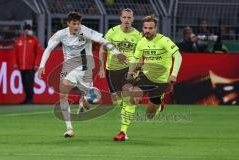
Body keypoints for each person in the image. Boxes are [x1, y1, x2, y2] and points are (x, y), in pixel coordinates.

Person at [38, 12, 126, 138]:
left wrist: (117, 53)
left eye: (78, 23)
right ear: (68, 23)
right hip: (69, 67)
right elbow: (48, 49)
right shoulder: (61, 34)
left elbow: (104, 41)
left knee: (88, 104)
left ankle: (82, 102)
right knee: (63, 92)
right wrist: (42, 65)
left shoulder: (86, 31)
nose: (76, 26)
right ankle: (69, 128)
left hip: (86, 69)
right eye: (74, 24)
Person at [114, 15, 182, 141]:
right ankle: (123, 132)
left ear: (155, 28)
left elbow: (178, 57)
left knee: (149, 115)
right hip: (145, 76)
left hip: (161, 80)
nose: (147, 30)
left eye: (150, 28)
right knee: (132, 96)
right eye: (145, 28)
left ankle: (159, 106)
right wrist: (130, 72)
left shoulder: (164, 41)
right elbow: (135, 59)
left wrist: (174, 75)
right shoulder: (141, 42)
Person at [98, 8, 142, 140]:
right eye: (124, 17)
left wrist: (137, 69)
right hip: (112, 70)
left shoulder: (138, 35)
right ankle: (127, 113)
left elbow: (140, 54)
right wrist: (101, 67)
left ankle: (123, 131)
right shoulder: (112, 32)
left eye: (129, 18)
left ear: (133, 19)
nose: (127, 20)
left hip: (129, 69)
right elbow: (102, 49)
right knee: (117, 101)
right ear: (120, 18)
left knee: (128, 98)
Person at [14, 24, 43, 104]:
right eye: (26, 29)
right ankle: (27, 98)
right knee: (24, 83)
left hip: (31, 66)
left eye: (29, 29)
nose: (28, 31)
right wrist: (15, 63)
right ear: (23, 31)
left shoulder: (34, 40)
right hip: (21, 66)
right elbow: (15, 53)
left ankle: (30, 99)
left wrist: (36, 64)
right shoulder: (19, 40)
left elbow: (39, 53)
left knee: (29, 83)